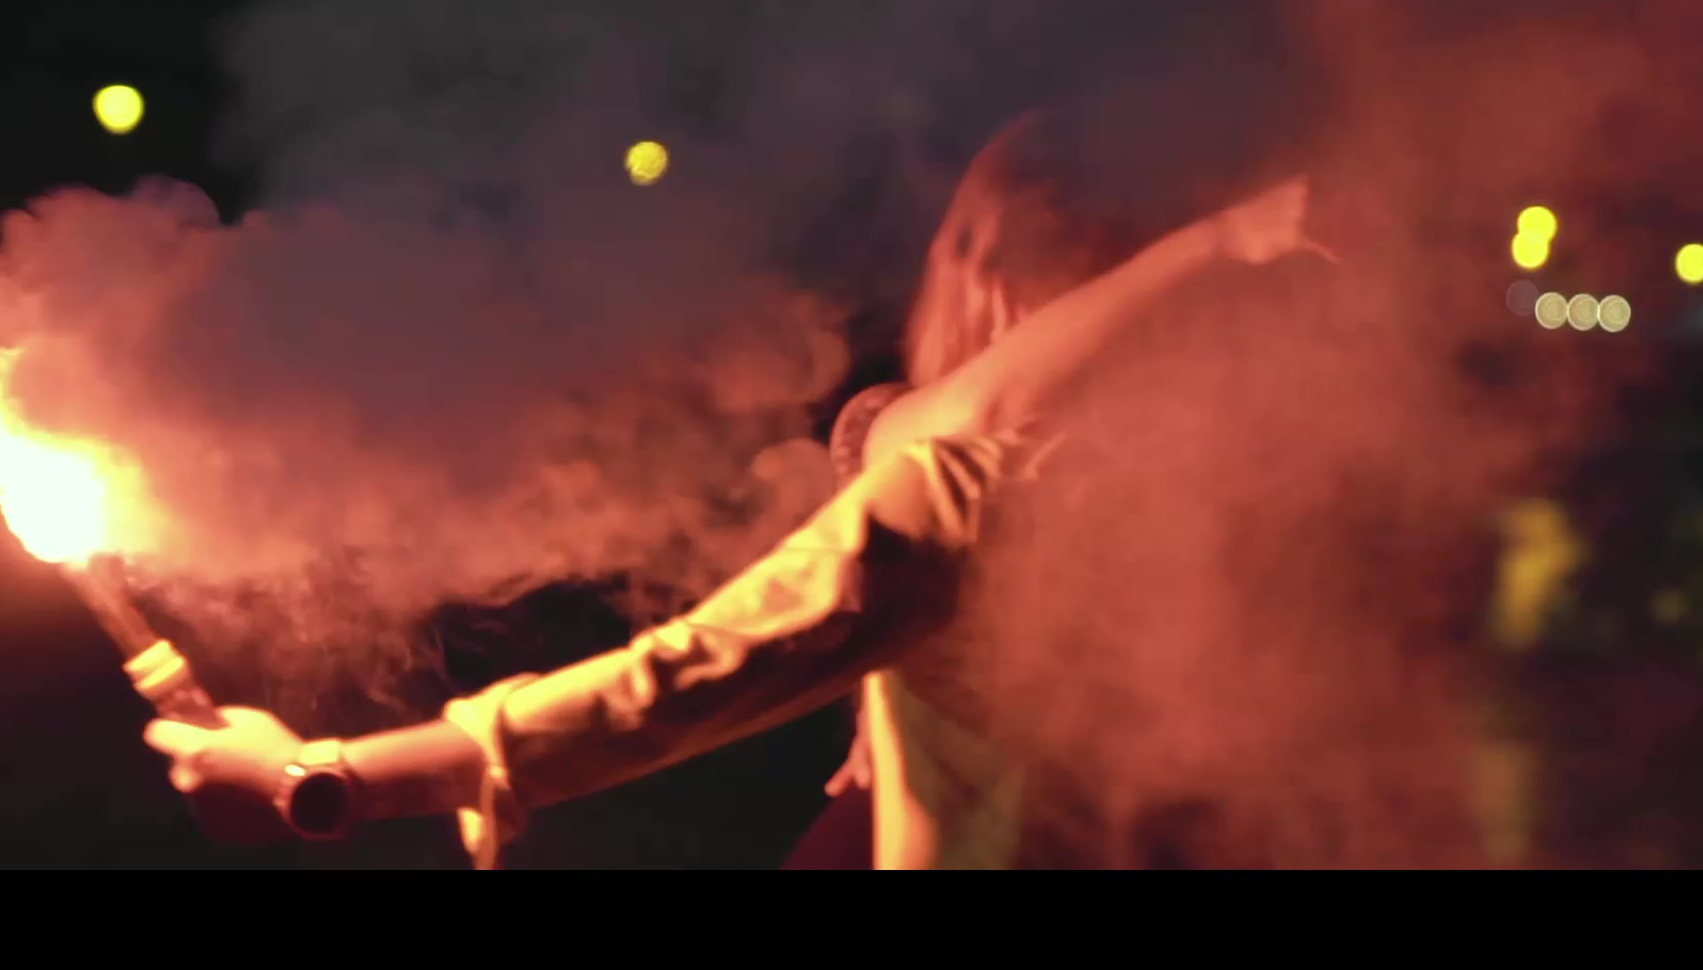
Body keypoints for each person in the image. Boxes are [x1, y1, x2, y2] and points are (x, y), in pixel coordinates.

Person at [144, 110, 1329, 868]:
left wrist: (325, 777)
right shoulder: (1285, 489)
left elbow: (685, 681)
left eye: (967, 247)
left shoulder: (979, 488)